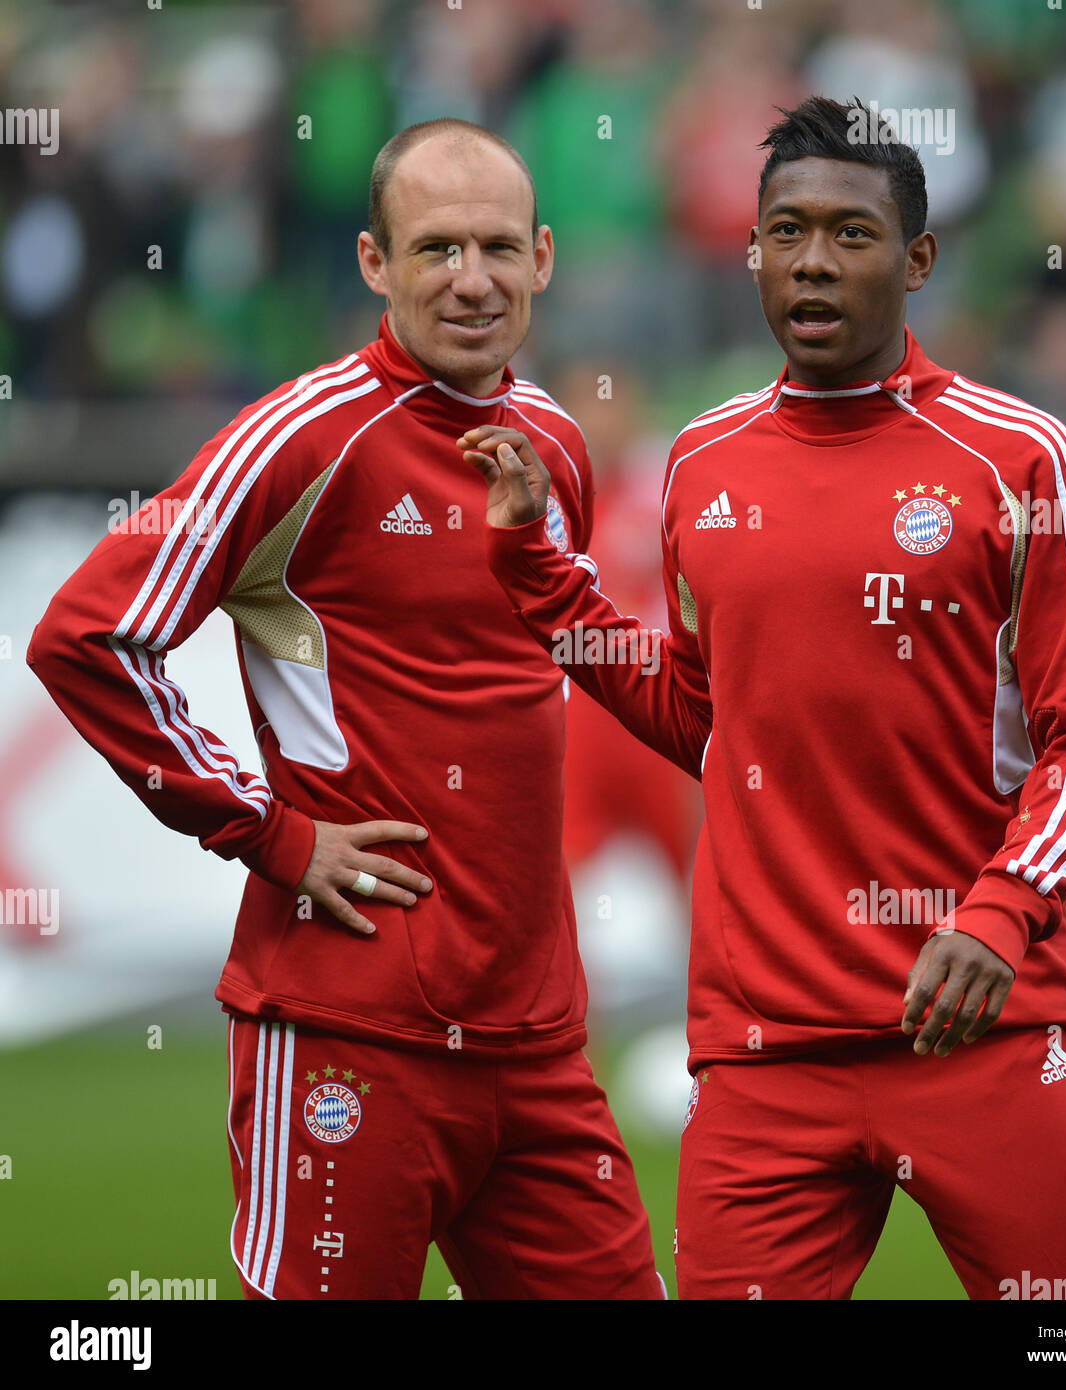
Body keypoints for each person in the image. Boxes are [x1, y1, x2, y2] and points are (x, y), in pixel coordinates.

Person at [461, 96, 1066, 1300]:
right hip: (765, 1046)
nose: (813, 261)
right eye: (786, 231)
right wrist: (540, 577)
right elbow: (701, 715)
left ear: (918, 259)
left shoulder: (1021, 459)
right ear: (754, 251)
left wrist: (999, 913)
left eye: (851, 233)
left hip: (981, 1023)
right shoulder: (703, 459)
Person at [26, 118, 662, 1301]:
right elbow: (86, 635)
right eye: (435, 250)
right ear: (375, 263)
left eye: (497, 247)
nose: (472, 280)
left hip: (536, 1042)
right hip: (348, 1030)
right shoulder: (298, 438)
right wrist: (269, 832)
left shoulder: (560, 446)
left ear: (545, 257)